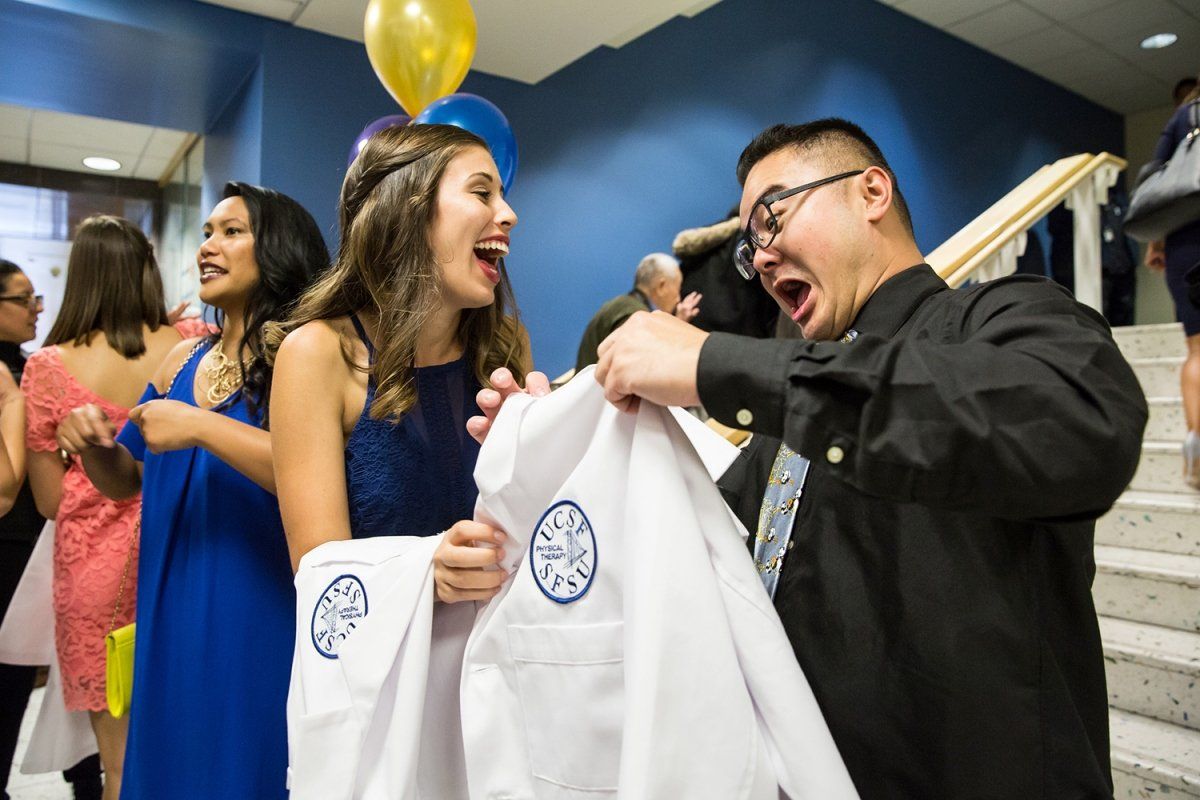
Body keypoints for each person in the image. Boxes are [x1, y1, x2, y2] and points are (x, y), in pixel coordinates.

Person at [477, 119, 1147, 798]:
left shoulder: (999, 317)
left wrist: (720, 365)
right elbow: (694, 552)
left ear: (872, 192)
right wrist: (559, 453)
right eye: (748, 246)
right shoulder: (782, 426)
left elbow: (1080, 425)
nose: (760, 258)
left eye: (771, 217)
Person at [58, 183, 328, 799]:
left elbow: (316, 475)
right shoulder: (180, 360)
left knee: (246, 765)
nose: (209, 246)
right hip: (169, 603)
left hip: (262, 610)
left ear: (279, 248)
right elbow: (125, 479)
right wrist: (94, 443)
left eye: (232, 231)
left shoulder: (305, 354)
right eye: (207, 232)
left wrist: (203, 427)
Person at [271, 123, 546, 609]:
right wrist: (424, 575)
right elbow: (317, 571)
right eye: (482, 192)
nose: (509, 215)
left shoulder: (507, 345)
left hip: (497, 659)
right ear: (408, 210)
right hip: (386, 673)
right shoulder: (316, 353)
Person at [19, 217, 209, 800]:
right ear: (146, 270)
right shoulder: (191, 343)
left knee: (120, 769)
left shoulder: (47, 367)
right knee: (189, 743)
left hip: (92, 577)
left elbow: (50, 502)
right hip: (181, 549)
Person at [0, 259, 103, 800]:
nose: (37, 308)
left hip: (39, 548)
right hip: (14, 544)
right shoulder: (20, 378)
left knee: (49, 677)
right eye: (23, 298)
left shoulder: (29, 365)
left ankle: (85, 779)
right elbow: (10, 486)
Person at [1144, 76, 1200, 487]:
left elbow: (1158, 181)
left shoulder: (1184, 118)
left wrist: (1156, 240)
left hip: (1187, 241)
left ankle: (1196, 448)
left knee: (1197, 349)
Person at [574, 252, 700, 371]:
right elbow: (641, 370)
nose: (678, 299)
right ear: (661, 286)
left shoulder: (624, 305)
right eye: (677, 289)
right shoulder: (635, 316)